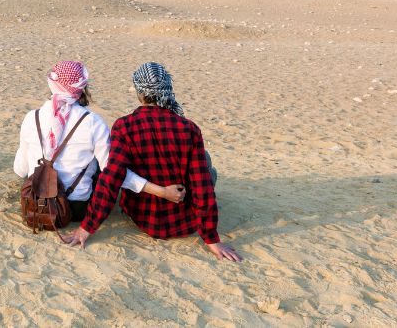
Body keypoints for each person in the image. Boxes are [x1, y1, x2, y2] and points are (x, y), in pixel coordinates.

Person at [59, 62, 241, 262]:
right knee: (205, 166)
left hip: (142, 218)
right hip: (183, 221)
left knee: (117, 167)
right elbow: (202, 187)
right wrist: (211, 239)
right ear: (168, 89)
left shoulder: (124, 126)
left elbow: (111, 179)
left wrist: (86, 228)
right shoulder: (189, 128)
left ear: (139, 92)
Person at [14, 61, 184, 222]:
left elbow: (20, 170)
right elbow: (113, 172)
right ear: (82, 88)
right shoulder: (93, 122)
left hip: (36, 201)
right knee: (97, 161)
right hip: (75, 208)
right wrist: (161, 191)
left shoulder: (31, 118)